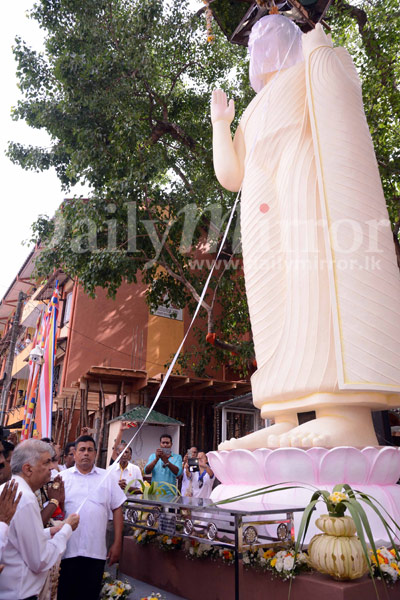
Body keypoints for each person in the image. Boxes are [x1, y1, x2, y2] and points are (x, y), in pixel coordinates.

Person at [212, 15, 400, 450]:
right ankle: (283, 413)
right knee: (269, 305)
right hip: (262, 208)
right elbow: (232, 175)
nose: (262, 48)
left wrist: (313, 25)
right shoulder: (254, 110)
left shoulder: (311, 70)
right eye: (256, 43)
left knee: (317, 287)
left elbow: (337, 93)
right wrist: (222, 123)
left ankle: (343, 413)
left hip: (305, 188)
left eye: (273, 36)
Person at [0, 439, 79, 600]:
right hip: (19, 594)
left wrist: (50, 531)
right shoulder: (25, 497)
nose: (52, 467)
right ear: (28, 469)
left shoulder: (8, 489)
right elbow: (40, 560)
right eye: (47, 462)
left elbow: (16, 539)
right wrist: (66, 530)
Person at [57, 435, 126, 600]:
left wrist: (117, 543)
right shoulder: (62, 478)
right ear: (74, 454)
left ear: (95, 454)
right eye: (82, 450)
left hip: (95, 552)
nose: (86, 454)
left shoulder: (107, 478)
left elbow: (117, 508)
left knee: (89, 594)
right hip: (67, 551)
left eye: (90, 450)